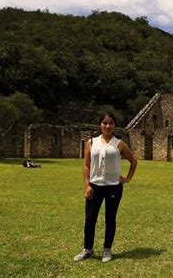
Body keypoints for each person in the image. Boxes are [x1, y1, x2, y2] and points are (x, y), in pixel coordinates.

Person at [74, 112, 138, 262]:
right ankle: (87, 249)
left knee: (110, 219)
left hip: (113, 187)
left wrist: (127, 178)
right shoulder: (92, 142)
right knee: (90, 219)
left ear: (114, 125)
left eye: (110, 123)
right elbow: (86, 165)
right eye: (104, 123)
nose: (107, 126)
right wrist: (87, 185)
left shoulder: (119, 144)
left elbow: (133, 161)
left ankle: (107, 250)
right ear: (100, 125)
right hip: (95, 186)